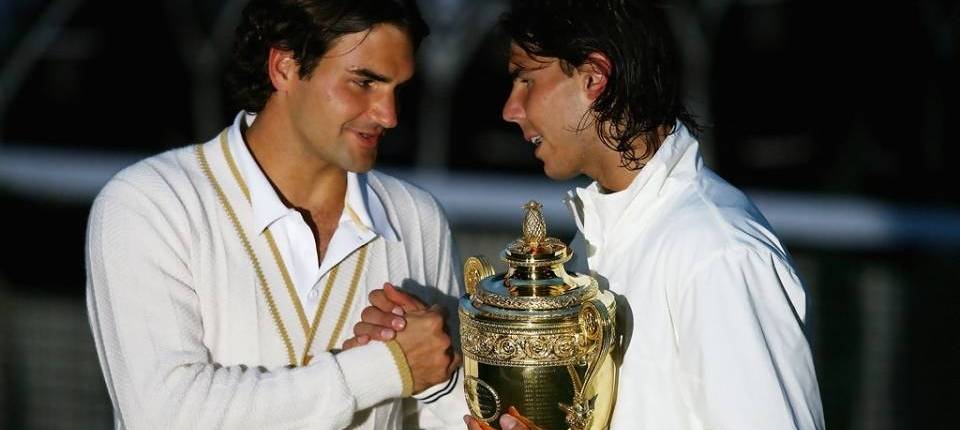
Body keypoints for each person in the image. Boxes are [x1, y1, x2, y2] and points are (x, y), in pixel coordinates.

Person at [354, 0, 826, 429]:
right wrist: (441, 370)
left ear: (593, 77)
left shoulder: (715, 251)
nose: (510, 109)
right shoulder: (601, 238)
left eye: (526, 78)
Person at [85, 1, 466, 428]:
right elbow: (165, 416)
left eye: (398, 89)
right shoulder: (150, 203)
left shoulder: (416, 218)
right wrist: (387, 368)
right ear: (283, 67)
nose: (388, 115)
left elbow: (442, 417)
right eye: (364, 82)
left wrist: (442, 381)